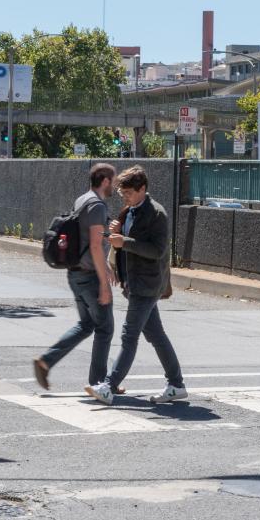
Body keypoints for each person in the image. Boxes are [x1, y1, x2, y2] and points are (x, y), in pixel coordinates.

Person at [85, 166, 187, 405]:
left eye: (129, 192)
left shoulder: (157, 214)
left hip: (148, 283)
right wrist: (117, 232)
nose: (125, 197)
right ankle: (177, 384)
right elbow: (126, 241)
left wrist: (125, 242)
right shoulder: (129, 211)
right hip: (135, 282)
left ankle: (108, 386)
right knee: (156, 335)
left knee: (129, 335)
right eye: (122, 193)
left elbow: (158, 250)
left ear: (142, 189)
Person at [33, 163, 117, 391]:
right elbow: (97, 246)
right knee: (105, 328)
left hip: (75, 273)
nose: (115, 184)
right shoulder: (97, 206)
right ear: (106, 181)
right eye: (114, 180)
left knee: (86, 324)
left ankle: (45, 361)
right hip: (89, 277)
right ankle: (100, 383)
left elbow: (87, 243)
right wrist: (104, 285)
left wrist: (105, 269)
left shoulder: (82, 200)